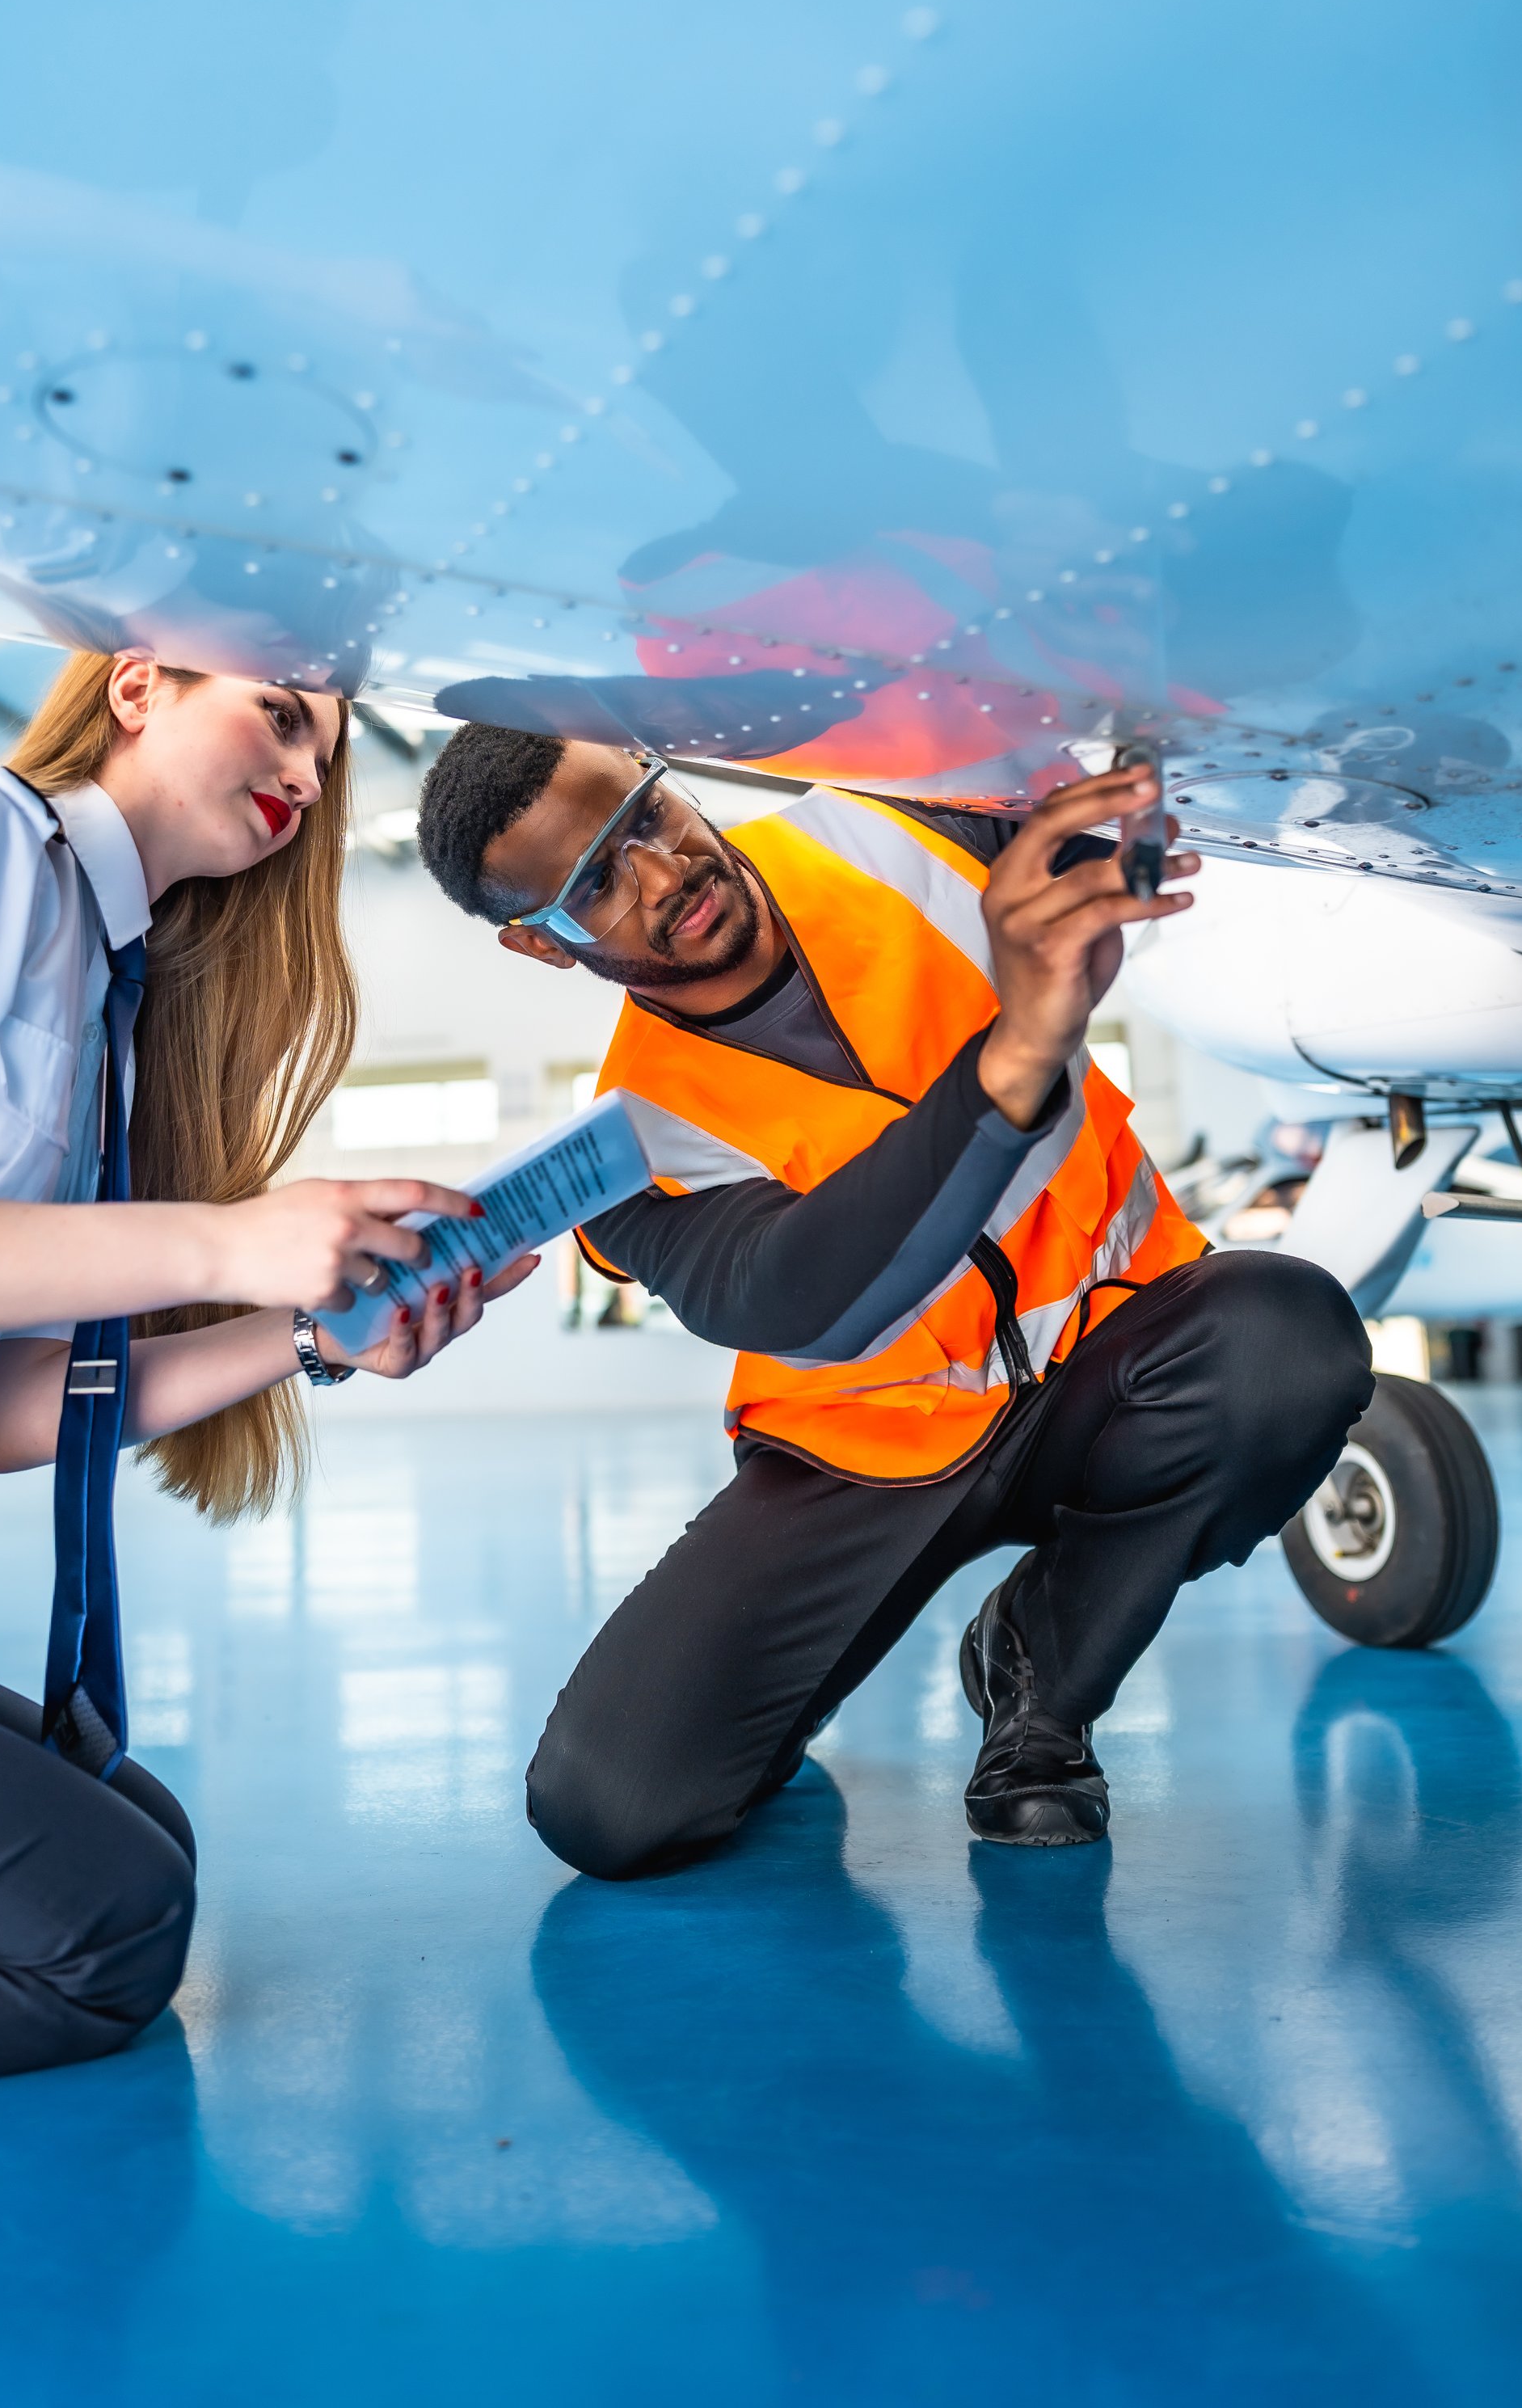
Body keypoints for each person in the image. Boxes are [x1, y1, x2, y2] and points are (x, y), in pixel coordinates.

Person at [0, 652, 533, 2105]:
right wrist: (236, 1240)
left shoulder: (100, 1006)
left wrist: (316, 1338)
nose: (311, 776)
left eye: (326, 751)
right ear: (138, 688)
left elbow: (15, 1417)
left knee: (135, 1833)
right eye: (281, 717)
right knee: (103, 1929)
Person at [417, 727, 1373, 1872]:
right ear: (540, 942)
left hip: (1118, 1354)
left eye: (646, 818)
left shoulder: (904, 824)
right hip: (866, 1457)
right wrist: (1016, 1051)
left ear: (652, 769)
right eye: (600, 884)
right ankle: (782, 1711)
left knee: (1289, 1342)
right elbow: (804, 1297)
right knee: (611, 1808)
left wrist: (1128, 822)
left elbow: (1098, 777)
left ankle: (1038, 1680)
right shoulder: (633, 1151)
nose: (666, 875)